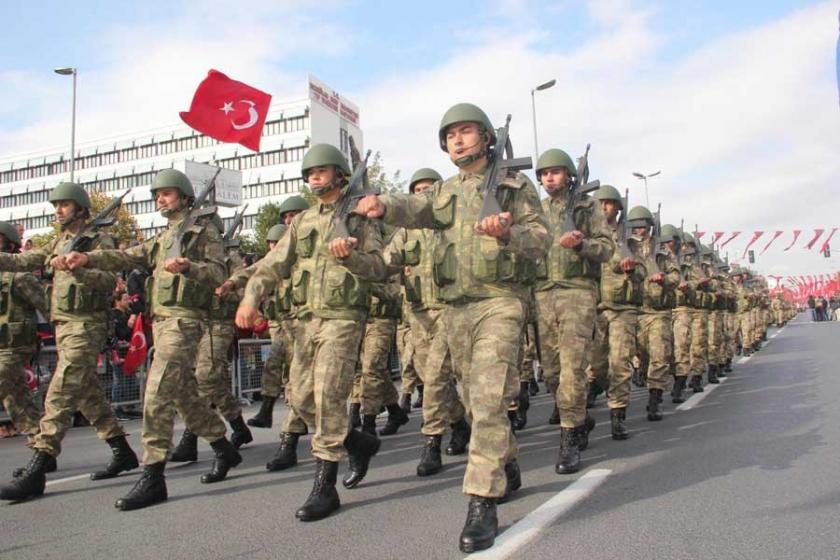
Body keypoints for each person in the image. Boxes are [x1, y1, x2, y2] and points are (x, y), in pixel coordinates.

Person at [355, 103, 549, 553]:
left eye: (466, 132)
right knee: (477, 401)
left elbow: (540, 241)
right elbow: (414, 206)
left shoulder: (514, 186)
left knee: (486, 396)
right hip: (454, 309)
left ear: (485, 137)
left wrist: (507, 233)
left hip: (500, 302)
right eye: (451, 135)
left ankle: (482, 502)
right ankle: (508, 462)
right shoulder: (442, 193)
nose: (458, 140)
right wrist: (383, 204)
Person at [57, 169, 242, 511]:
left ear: (185, 197)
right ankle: (223, 447)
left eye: (167, 193)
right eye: (158, 195)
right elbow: (129, 255)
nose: (160, 199)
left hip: (186, 320)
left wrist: (189, 267)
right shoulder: (165, 234)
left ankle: (153, 474)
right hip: (163, 321)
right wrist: (88, 257)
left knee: (156, 393)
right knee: (186, 397)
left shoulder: (204, 232)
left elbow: (219, 273)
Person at [235, 143, 387, 522]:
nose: (313, 177)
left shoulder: (360, 218)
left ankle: (325, 487)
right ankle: (357, 441)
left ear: (338, 174)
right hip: (305, 321)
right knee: (300, 399)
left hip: (343, 318)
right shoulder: (302, 222)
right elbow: (272, 264)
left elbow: (380, 267)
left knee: (328, 396)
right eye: (309, 173)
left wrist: (351, 256)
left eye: (321, 171)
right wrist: (250, 297)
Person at [0, 183, 139, 503]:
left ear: (79, 208)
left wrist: (82, 264)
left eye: (63, 205)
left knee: (60, 393)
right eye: (56, 206)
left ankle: (40, 464)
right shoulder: (60, 241)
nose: (57, 211)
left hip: (87, 325)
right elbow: (25, 260)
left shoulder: (98, 240)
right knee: (89, 396)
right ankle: (123, 451)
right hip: (65, 326)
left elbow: (109, 281)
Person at [531, 149, 613, 472]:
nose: (550, 178)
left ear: (568, 174)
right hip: (543, 293)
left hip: (577, 292)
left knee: (572, 368)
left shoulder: (586, 207)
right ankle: (579, 418)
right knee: (551, 371)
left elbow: (606, 248)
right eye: (544, 173)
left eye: (556, 172)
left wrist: (582, 245)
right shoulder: (535, 211)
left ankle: (568, 439)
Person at [168, 215, 253, 463]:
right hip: (198, 322)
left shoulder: (229, 258)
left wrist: (227, 290)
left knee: (204, 377)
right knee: (215, 384)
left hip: (219, 324)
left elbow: (242, 287)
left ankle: (189, 439)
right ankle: (239, 429)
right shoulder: (192, 255)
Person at [246, 195, 310, 428]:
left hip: (308, 323)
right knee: (276, 367)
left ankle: (297, 428)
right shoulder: (280, 257)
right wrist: (233, 283)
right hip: (284, 323)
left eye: (293, 215)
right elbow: (257, 269)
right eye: (286, 217)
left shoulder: (310, 250)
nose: (289, 220)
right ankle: (271, 413)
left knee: (300, 379)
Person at [587, 188, 642, 440]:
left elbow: (647, 275)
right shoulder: (588, 234)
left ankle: (618, 414)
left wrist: (632, 270)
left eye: (610, 203)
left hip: (623, 310)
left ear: (618, 208)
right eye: (601, 203)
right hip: (595, 308)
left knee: (620, 360)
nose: (605, 207)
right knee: (596, 365)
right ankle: (609, 390)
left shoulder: (630, 242)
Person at [0, 221, 47, 445]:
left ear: (9, 245)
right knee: (17, 399)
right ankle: (42, 447)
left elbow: (48, 306)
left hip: (14, 345)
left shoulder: (20, 277)